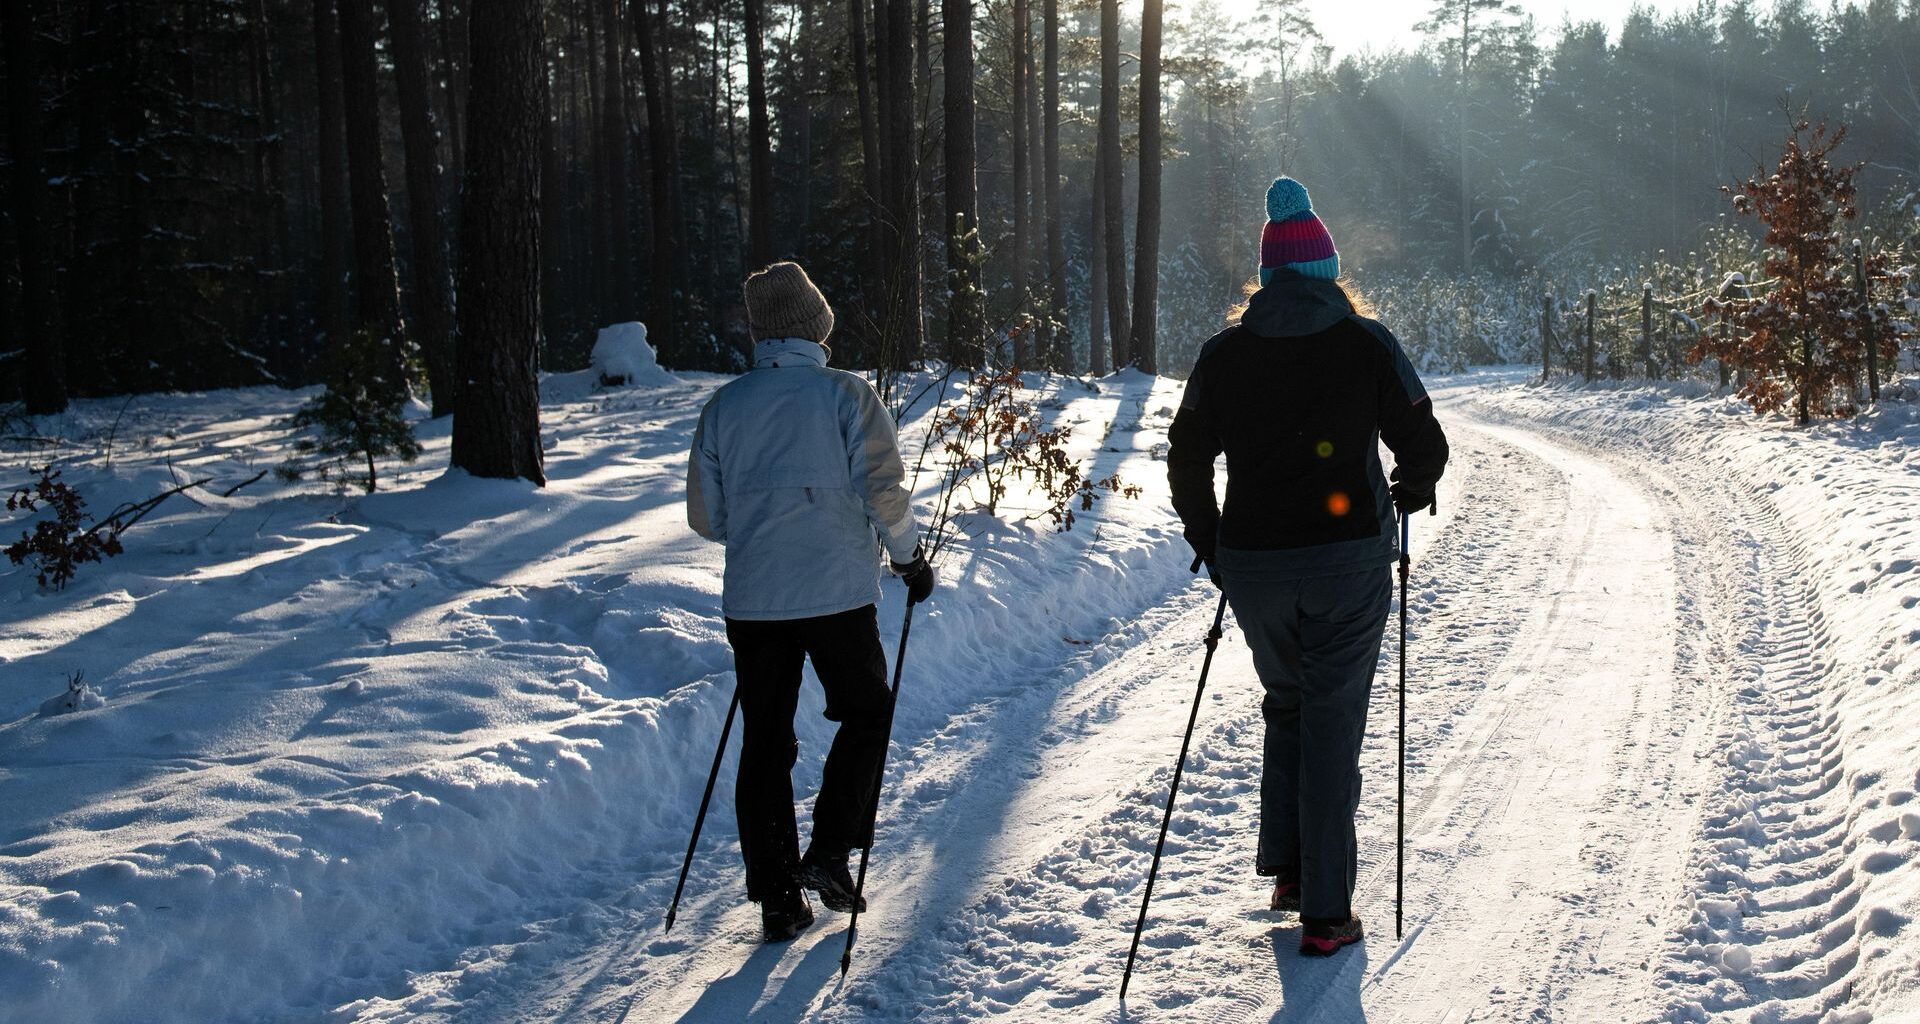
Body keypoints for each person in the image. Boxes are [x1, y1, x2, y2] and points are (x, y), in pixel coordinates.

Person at [1166, 178, 1449, 957]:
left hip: (1254, 568)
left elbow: (1186, 454)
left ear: (1268, 277)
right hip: (1347, 562)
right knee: (1330, 721)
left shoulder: (1224, 354)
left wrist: (1210, 538)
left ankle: (1289, 869)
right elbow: (1424, 444)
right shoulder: (1366, 342)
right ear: (1326, 271)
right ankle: (1326, 911)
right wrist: (1411, 487)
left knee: (1289, 701)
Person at [687, 261, 936, 943]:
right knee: (865, 714)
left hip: (755, 601)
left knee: (766, 741)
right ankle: (828, 852)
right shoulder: (846, 396)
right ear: (815, 326)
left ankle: (776, 897)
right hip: (836, 595)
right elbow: (885, 492)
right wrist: (910, 559)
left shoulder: (725, 406)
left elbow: (708, 520)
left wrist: (765, 525)